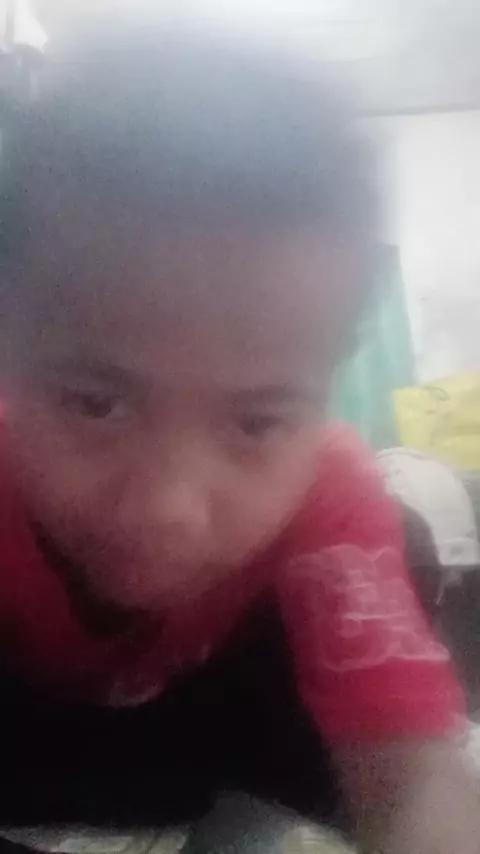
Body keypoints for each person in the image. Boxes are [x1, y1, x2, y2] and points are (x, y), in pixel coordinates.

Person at [0, 14, 477, 854]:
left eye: (258, 420)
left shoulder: (331, 497)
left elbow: (406, 775)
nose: (169, 508)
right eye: (95, 404)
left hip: (215, 770)